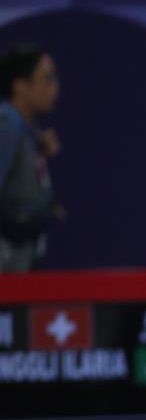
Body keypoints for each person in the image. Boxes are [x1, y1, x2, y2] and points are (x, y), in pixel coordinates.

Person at [0, 43, 60, 273]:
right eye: (47, 79)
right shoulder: (5, 128)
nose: (55, 87)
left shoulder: (25, 132)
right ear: (21, 86)